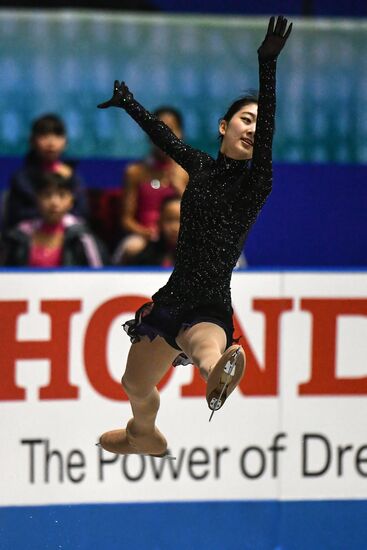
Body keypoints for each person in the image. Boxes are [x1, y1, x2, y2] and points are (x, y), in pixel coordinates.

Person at [96, 16, 292, 457]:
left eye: (260, 125)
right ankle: (141, 433)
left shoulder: (256, 183)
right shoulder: (200, 169)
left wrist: (267, 65)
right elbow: (165, 138)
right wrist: (129, 104)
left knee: (204, 346)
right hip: (171, 298)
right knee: (134, 383)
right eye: (245, 119)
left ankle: (217, 372)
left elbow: (267, 134)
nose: (254, 128)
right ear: (224, 127)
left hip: (209, 301)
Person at [116, 106, 188, 261]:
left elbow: (202, 214)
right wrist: (146, 233)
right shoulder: (134, 172)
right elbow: (126, 220)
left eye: (170, 129)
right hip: (145, 237)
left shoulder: (187, 172)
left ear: (180, 134)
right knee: (132, 247)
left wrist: (180, 188)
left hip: (182, 237)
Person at [1, 172, 107, 267]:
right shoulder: (18, 237)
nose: (54, 203)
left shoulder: (82, 238)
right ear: (37, 199)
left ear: (71, 201)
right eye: (47, 195)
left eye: (61, 195)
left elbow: (98, 276)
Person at [3, 113, 88, 229]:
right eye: (44, 135)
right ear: (32, 141)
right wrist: (48, 217)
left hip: (66, 234)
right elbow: (16, 215)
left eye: (57, 135)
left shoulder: (72, 176)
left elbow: (82, 212)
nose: (51, 142)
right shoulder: (21, 178)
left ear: (66, 142)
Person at [120, 195, 181, 267]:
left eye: (180, 220)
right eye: (169, 220)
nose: (174, 227)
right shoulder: (148, 254)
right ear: (159, 222)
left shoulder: (195, 255)